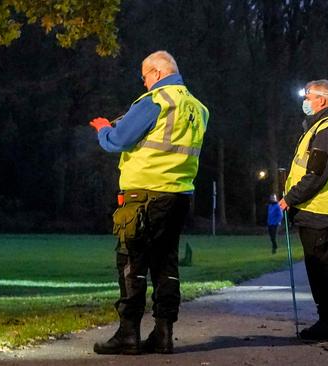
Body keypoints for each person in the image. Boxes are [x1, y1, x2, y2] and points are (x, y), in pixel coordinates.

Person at [89, 51, 209, 354]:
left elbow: (119, 141)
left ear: (156, 73)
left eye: (144, 77)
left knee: (131, 262)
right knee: (166, 263)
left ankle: (128, 334)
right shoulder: (198, 108)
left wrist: (104, 129)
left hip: (142, 195)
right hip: (179, 195)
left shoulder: (155, 100)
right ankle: (163, 333)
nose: (144, 83)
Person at [279, 79, 328, 341]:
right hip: (314, 211)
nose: (305, 101)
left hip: (319, 212)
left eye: (308, 96)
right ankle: (327, 321)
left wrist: (290, 198)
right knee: (317, 270)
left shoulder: (327, 130)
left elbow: (316, 175)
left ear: (322, 100)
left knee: (322, 271)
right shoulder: (318, 127)